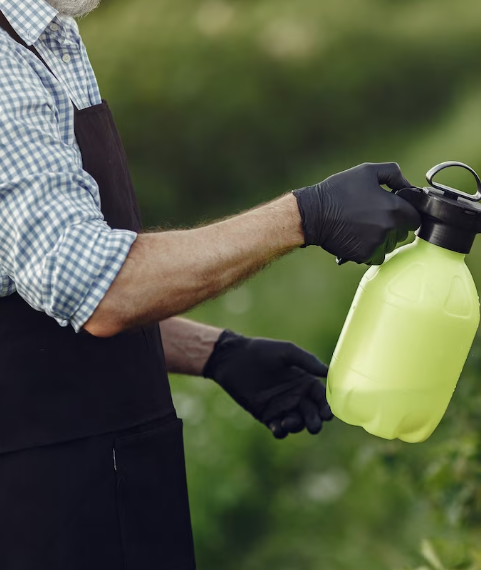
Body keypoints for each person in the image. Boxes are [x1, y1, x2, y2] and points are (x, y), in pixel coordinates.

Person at [0, 0, 422, 567]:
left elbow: (38, 289)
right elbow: (103, 288)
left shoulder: (50, 38)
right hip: (43, 506)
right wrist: (305, 216)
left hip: (106, 478)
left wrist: (217, 353)